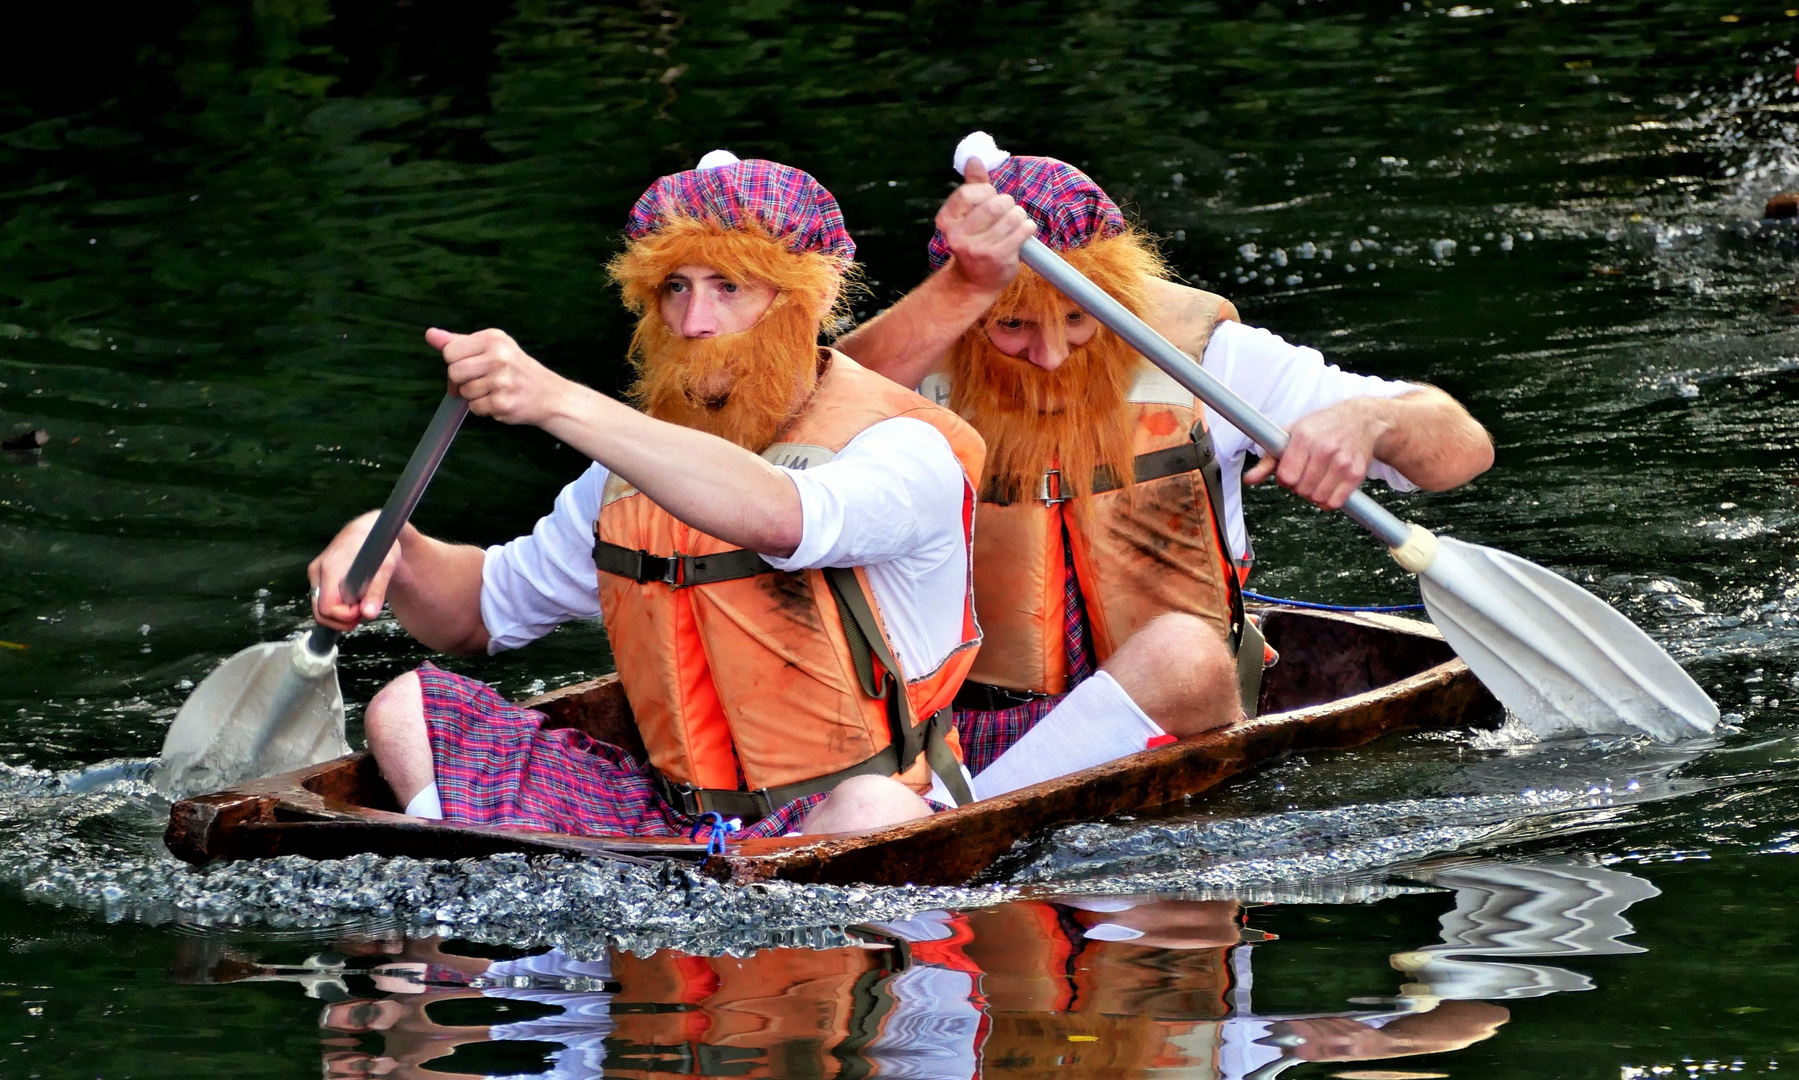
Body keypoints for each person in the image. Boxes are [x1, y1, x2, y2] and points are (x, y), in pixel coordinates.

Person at [306, 151, 991, 839]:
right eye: (674, 288)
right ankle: (463, 899)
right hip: (675, 821)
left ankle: (480, 931)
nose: (692, 322)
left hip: (854, 813)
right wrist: (390, 543)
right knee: (409, 710)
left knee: (873, 806)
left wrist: (554, 399)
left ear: (810, 293)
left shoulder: (905, 448)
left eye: (729, 287)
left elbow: (783, 518)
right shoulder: (630, 473)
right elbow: (476, 615)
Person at [838, 132, 1494, 776]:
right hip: (962, 734)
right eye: (1013, 326)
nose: (1051, 355)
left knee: (1182, 653)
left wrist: (1371, 419)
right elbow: (793, 437)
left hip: (1185, 709)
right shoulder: (913, 371)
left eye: (1075, 318)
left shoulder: (1206, 360)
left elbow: (1460, 453)